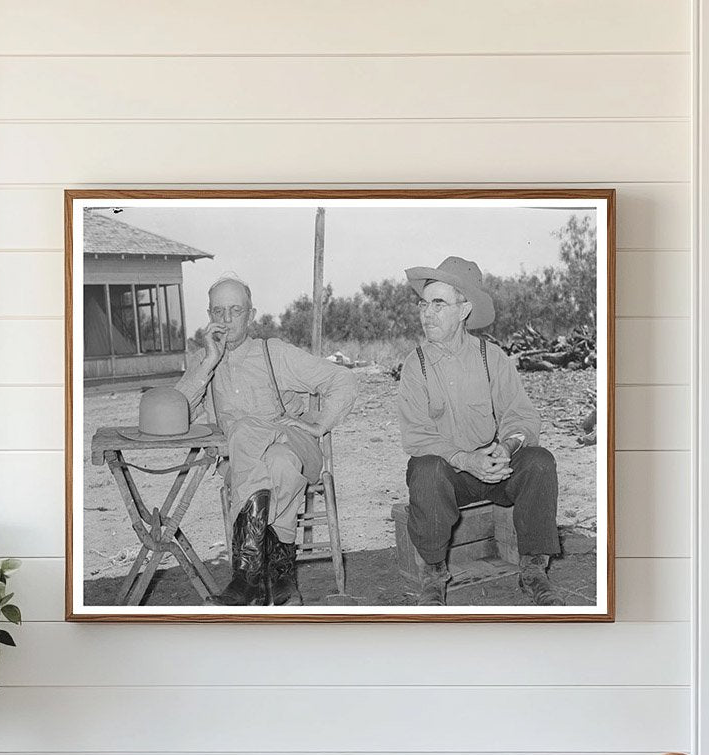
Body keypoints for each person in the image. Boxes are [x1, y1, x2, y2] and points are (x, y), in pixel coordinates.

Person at [175, 273, 357, 606]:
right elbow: (176, 415)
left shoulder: (275, 354)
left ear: (252, 314)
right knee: (278, 464)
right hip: (249, 466)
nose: (226, 320)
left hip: (298, 447)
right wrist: (208, 363)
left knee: (248, 433)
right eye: (218, 312)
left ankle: (246, 578)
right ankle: (280, 574)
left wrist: (321, 424)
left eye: (235, 311)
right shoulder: (206, 362)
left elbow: (343, 380)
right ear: (209, 316)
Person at [396, 256, 565, 607]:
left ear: (464, 310)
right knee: (424, 470)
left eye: (439, 304)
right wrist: (463, 459)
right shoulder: (416, 365)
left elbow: (522, 416)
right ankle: (434, 573)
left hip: (494, 467)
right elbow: (416, 435)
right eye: (424, 304)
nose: (427, 314)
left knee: (539, 461)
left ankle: (534, 569)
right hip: (450, 475)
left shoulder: (493, 357)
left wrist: (506, 446)